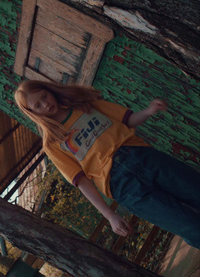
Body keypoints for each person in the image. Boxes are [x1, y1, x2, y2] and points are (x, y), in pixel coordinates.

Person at [14, 80, 200, 249]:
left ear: (49, 90)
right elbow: (82, 181)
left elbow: (128, 120)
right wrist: (109, 215)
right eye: (38, 105)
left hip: (143, 157)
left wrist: (149, 111)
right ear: (33, 113)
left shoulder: (85, 105)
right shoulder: (52, 143)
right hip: (123, 186)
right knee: (188, 226)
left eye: (44, 96)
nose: (46, 103)